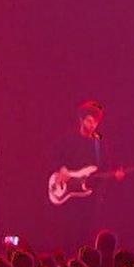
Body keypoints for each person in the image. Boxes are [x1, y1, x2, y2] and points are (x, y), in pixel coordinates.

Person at [50, 100, 116, 250]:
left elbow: (105, 168)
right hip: (69, 196)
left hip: (90, 198)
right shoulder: (68, 140)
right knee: (68, 234)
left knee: (87, 235)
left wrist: (113, 175)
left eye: (96, 122)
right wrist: (62, 169)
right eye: (90, 121)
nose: (93, 125)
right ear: (82, 120)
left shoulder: (99, 144)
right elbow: (53, 157)